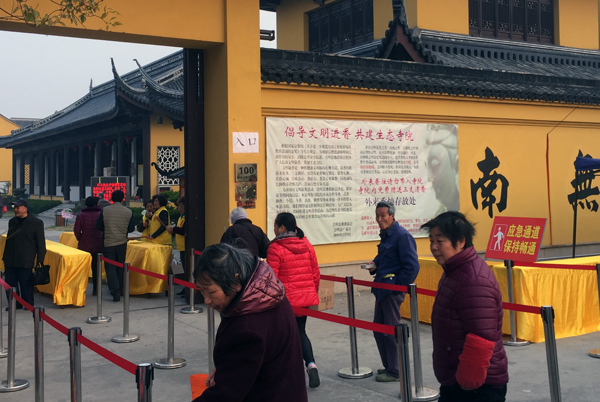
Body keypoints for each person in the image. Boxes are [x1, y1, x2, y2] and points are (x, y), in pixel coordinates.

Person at [193, 243, 308, 402]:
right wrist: (229, 368)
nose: (206, 300)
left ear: (236, 281)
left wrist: (229, 374)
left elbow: (225, 395)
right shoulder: (268, 294)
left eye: (211, 292)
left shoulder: (247, 328)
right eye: (201, 290)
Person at [420, 211, 508, 402]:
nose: (434, 247)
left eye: (440, 241)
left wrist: (467, 382)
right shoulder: (454, 270)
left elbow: (481, 337)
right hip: (457, 379)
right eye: (431, 240)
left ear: (461, 241)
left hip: (477, 387)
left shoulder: (474, 280)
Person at [366, 200, 419, 382]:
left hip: (391, 291)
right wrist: (374, 264)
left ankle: (395, 371)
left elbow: (412, 266)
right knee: (378, 328)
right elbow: (384, 257)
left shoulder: (402, 236)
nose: (379, 219)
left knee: (390, 331)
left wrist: (398, 286)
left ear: (392, 216)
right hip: (381, 289)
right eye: (377, 216)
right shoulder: (387, 235)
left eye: (383, 216)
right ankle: (389, 365)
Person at [267, 212, 321, 388]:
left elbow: (272, 279)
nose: (274, 229)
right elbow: (315, 274)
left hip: (285, 302)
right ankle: (311, 365)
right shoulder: (306, 244)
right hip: (304, 300)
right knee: (300, 332)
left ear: (282, 227)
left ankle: (290, 374)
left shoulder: (275, 248)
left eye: (275, 226)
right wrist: (311, 293)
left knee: (284, 337)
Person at [2, 199, 46, 309]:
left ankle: (28, 304)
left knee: (26, 284)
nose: (15, 210)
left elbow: (41, 243)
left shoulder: (36, 223)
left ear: (25, 209)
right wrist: (4, 257)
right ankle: (14, 304)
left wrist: (40, 260)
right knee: (10, 284)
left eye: (18, 207)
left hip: (26, 258)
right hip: (10, 258)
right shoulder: (12, 221)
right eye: (15, 207)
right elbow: (9, 241)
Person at [96, 190, 135, 302]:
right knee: (120, 266)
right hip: (122, 243)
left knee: (110, 267)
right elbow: (131, 229)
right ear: (123, 198)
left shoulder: (105, 210)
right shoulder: (128, 212)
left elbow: (98, 226)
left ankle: (115, 291)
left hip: (108, 243)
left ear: (111, 198)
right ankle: (120, 289)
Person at [74, 196, 103, 295]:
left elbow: (77, 231)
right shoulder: (101, 214)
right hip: (98, 244)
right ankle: (96, 289)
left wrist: (81, 239)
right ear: (96, 204)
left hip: (84, 245)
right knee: (96, 268)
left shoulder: (81, 215)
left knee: (83, 268)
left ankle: (80, 290)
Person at [166, 197, 187, 297]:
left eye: (181, 206)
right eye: (179, 207)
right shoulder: (180, 217)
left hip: (186, 246)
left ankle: (188, 288)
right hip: (180, 246)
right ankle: (185, 287)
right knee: (184, 268)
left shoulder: (186, 218)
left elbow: (184, 230)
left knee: (187, 268)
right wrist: (173, 231)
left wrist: (174, 229)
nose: (180, 209)